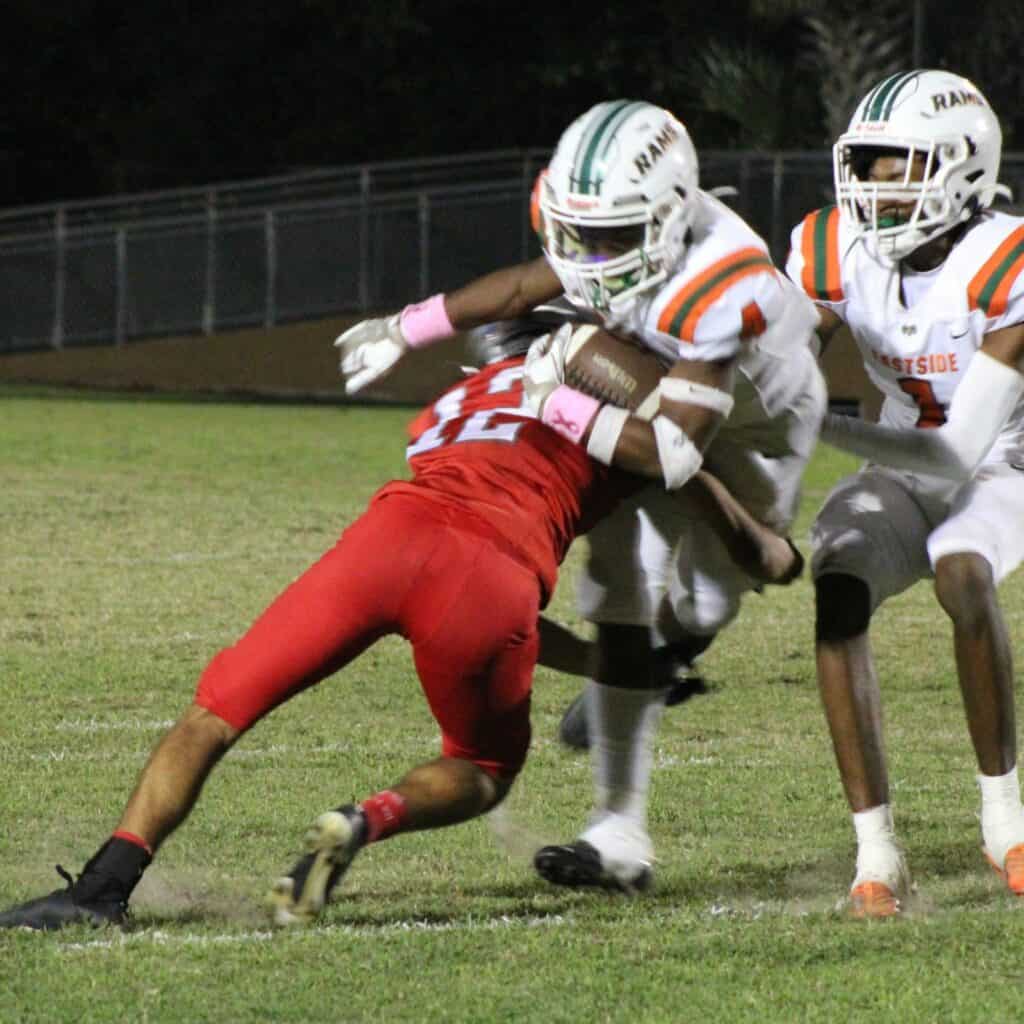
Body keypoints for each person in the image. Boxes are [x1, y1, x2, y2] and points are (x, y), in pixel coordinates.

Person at [0, 303, 797, 932]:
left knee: (213, 713)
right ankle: (362, 820)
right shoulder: (628, 418)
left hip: (389, 537)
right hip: (491, 573)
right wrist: (766, 546)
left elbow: (461, 542)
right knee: (483, 769)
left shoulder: (461, 396)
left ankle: (103, 887)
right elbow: (704, 496)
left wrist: (599, 663)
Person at [336, 99, 825, 892]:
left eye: (611, 237)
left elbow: (676, 451)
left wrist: (557, 401)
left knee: (709, 596)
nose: (589, 255)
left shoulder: (722, 280)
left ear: (669, 216)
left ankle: (678, 647)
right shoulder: (612, 230)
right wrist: (405, 327)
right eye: (578, 232)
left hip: (749, 432)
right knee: (617, 585)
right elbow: (524, 286)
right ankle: (618, 831)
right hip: (641, 405)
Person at [785, 69, 1024, 918]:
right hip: (900, 464)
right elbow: (781, 352)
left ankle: (1005, 821)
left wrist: (816, 423)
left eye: (900, 165)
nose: (875, 185)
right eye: (869, 164)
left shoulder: (1008, 258)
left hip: (1001, 464)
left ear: (963, 166)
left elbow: (959, 450)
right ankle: (876, 851)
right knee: (838, 586)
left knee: (961, 569)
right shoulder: (830, 245)